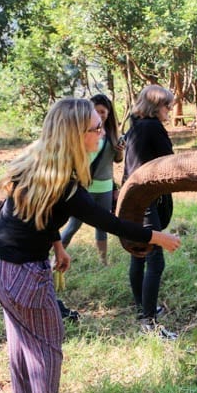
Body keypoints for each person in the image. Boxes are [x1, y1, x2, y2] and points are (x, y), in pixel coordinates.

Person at [0, 98, 181, 393]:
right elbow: (110, 223)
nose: (102, 133)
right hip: (19, 273)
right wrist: (157, 237)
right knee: (46, 345)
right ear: (74, 134)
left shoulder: (40, 160)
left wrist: (58, 245)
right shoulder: (65, 185)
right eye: (96, 128)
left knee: (22, 340)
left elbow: (38, 213)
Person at [122, 84, 177, 339]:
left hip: (130, 197)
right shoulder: (152, 127)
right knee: (155, 259)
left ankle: (142, 307)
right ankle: (150, 323)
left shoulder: (135, 126)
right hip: (145, 200)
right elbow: (169, 159)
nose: (170, 110)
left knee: (138, 254)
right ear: (157, 106)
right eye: (168, 105)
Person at [60, 94, 124, 265]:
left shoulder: (113, 134)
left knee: (102, 226)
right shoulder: (83, 134)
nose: (100, 115)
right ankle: (56, 256)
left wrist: (120, 149)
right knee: (73, 225)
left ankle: (103, 260)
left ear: (109, 113)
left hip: (105, 187)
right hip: (85, 187)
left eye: (103, 112)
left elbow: (117, 160)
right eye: (96, 111)